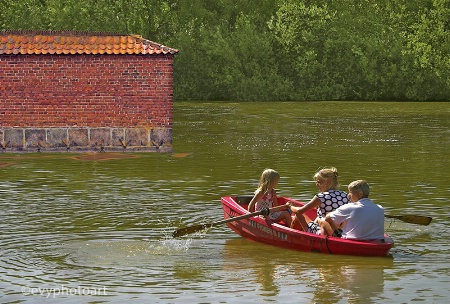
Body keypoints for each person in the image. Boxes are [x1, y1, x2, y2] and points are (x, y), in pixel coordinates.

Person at [289, 167, 349, 236]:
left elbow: (300, 211)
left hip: (322, 230)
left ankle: (289, 236)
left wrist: (291, 207)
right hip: (339, 230)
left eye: (319, 182)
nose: (316, 184)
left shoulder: (321, 197)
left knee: (298, 215)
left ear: (328, 182)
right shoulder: (345, 194)